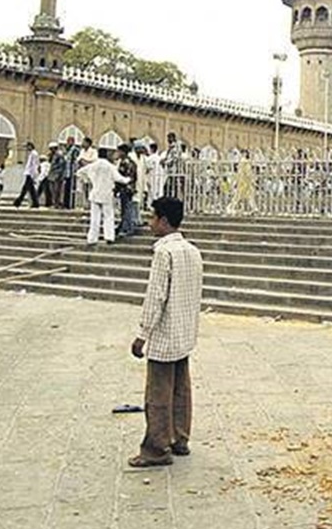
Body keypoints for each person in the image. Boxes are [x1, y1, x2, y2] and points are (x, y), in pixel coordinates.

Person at [127, 196, 204, 468]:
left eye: (152, 218)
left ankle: (157, 448)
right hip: (184, 332)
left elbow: (155, 296)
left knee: (158, 393)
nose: (150, 224)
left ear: (163, 220)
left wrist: (141, 334)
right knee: (180, 390)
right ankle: (180, 438)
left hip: (164, 334)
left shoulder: (164, 252)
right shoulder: (193, 251)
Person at [77, 151, 129, 245]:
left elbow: (79, 172)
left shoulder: (92, 166)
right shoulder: (110, 167)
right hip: (107, 194)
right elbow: (119, 178)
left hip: (95, 193)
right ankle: (109, 237)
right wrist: (128, 180)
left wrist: (88, 180)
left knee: (95, 218)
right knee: (108, 216)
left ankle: (92, 238)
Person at [116, 144, 139, 237]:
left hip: (125, 188)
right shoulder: (132, 162)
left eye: (119, 151)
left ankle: (127, 228)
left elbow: (120, 177)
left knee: (126, 209)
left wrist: (116, 188)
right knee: (127, 208)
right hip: (130, 188)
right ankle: (125, 227)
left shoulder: (124, 163)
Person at [13, 142, 41, 208]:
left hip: (30, 174)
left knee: (25, 189)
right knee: (31, 190)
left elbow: (34, 165)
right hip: (29, 173)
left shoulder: (34, 154)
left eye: (28, 147)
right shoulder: (31, 154)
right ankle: (35, 203)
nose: (27, 148)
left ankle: (18, 202)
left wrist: (33, 175)